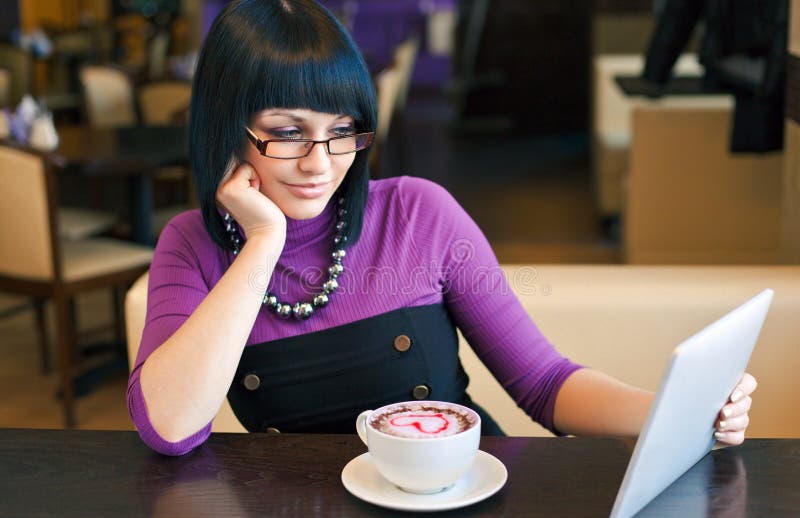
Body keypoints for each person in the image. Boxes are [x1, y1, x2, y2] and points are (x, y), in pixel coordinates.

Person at [127, 0, 757, 456]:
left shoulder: (418, 213)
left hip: (460, 497)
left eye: (341, 130)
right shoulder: (194, 245)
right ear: (227, 128)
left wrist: (670, 414)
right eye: (287, 132)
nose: (321, 164)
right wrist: (263, 242)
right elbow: (170, 427)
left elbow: (542, 382)